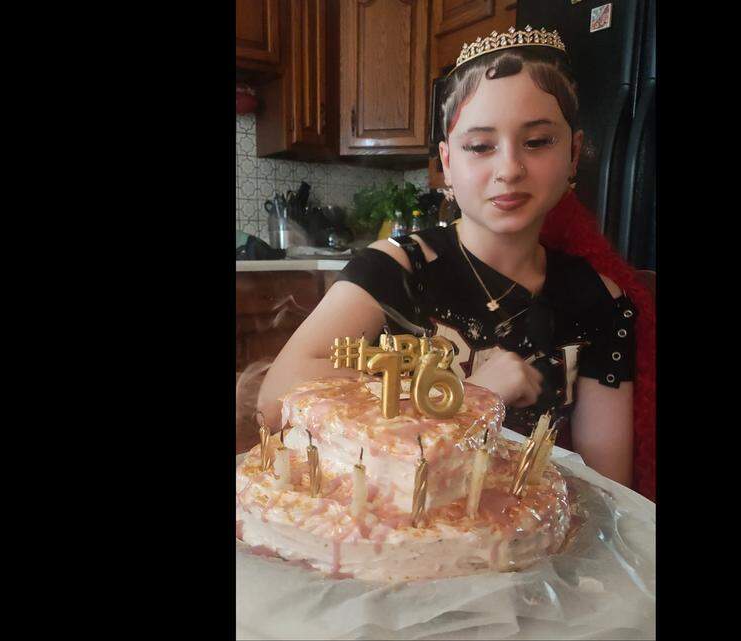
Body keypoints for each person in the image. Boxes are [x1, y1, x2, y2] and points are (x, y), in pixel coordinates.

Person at [257, 28, 637, 488]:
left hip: (527, 541)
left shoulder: (599, 298)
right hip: (387, 530)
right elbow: (276, 401)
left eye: (537, 142)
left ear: (574, 154)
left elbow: (608, 489)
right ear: (447, 164)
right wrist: (465, 394)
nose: (509, 168)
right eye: (480, 146)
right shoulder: (395, 270)